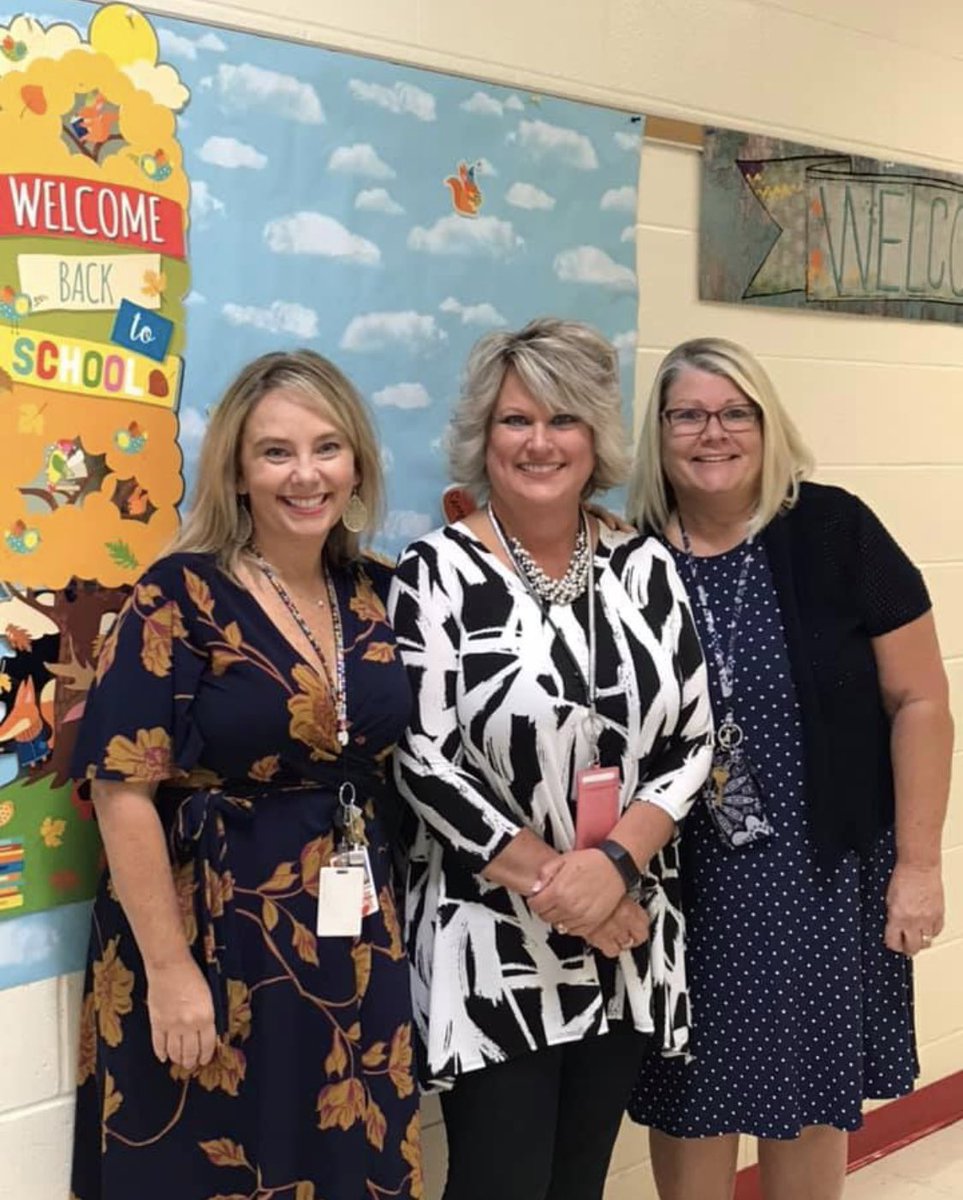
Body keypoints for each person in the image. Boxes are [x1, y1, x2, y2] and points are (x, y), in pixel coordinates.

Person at [70, 351, 422, 1200]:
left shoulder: (380, 592)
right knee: (206, 1159)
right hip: (208, 931)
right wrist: (168, 970)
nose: (306, 475)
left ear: (358, 462)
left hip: (348, 932)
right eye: (276, 452)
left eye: (327, 448)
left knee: (342, 1155)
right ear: (235, 468)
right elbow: (123, 792)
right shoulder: (176, 596)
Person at [388, 317, 714, 1200]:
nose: (540, 442)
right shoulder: (434, 572)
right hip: (491, 931)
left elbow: (692, 742)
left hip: (625, 922)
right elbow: (420, 759)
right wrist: (559, 887)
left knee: (576, 1182)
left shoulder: (645, 566)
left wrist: (611, 867)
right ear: (481, 438)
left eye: (562, 420)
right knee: (500, 1181)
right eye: (514, 421)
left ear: (594, 437)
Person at [626, 338, 952, 1200]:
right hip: (672, 876)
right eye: (687, 414)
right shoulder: (625, 557)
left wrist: (920, 866)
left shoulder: (835, 528)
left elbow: (920, 702)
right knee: (688, 1090)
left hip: (814, 868)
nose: (713, 432)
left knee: (808, 1094)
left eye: (736, 412)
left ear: (768, 426)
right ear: (657, 434)